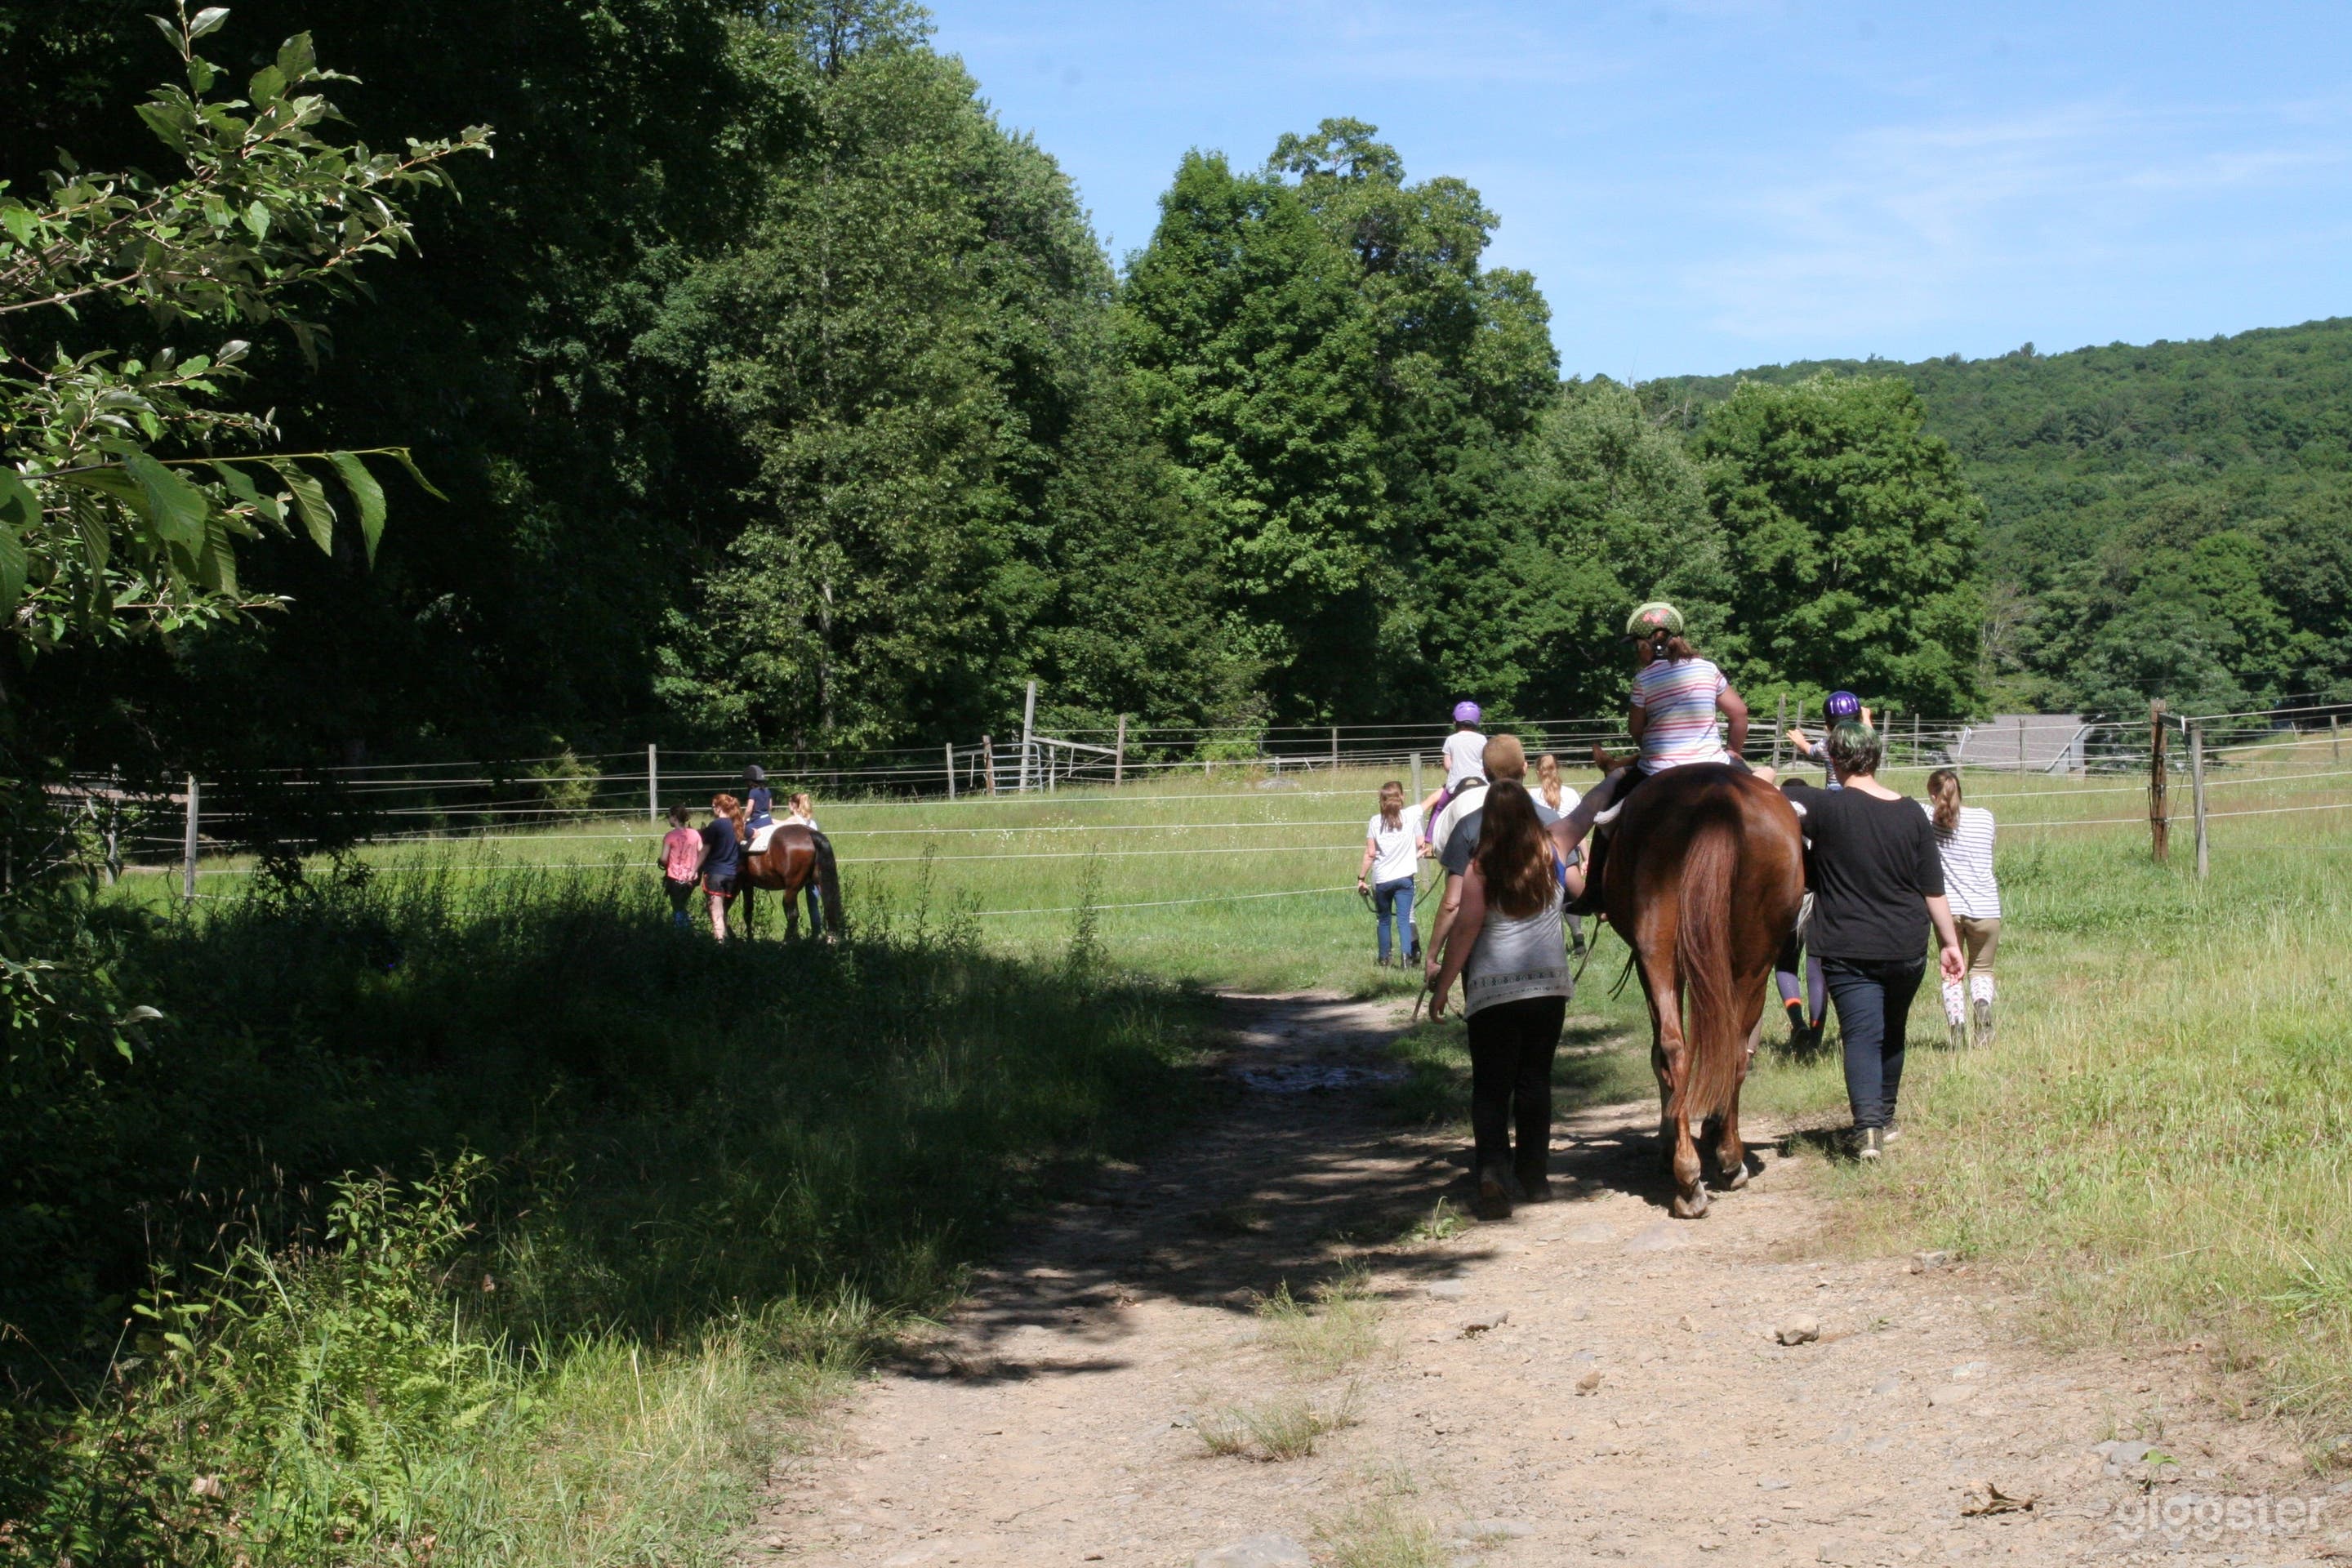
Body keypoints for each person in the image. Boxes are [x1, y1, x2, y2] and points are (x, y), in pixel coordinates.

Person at [1780, 724, 1965, 1160]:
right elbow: (1932, 888)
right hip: (1906, 944)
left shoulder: (1823, 805)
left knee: (1862, 1035)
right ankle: (1885, 1117)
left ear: (1836, 761)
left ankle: (1867, 1131)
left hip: (1848, 946)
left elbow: (1768, 794)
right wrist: (1950, 943)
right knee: (1893, 1032)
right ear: (1877, 759)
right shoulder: (1911, 813)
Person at [1427, 778, 1575, 1219]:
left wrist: (1442, 986)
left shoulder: (1479, 868)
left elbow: (1466, 930)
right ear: (1532, 815)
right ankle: (1536, 1178)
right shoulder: (1553, 855)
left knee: (1491, 1088)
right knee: (1535, 1080)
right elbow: (1587, 815)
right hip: (1548, 989)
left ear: (1488, 818)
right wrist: (1621, 775)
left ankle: (1493, 1175)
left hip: (1493, 992)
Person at [1554, 602, 1763, 912]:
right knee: (1766, 800)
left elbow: (1636, 729)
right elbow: (1740, 714)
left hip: (1658, 771)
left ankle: (1594, 893)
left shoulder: (1644, 679)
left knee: (1606, 819)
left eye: (1637, 646)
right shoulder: (1708, 669)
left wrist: (1652, 742)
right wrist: (1734, 751)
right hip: (1715, 764)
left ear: (1646, 645)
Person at [1425, 735, 1583, 970]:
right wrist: (1601, 906)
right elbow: (1575, 886)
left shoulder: (1468, 827)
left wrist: (1433, 956)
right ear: (1525, 768)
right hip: (1546, 969)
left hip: (1486, 965)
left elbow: (1452, 903)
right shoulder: (1551, 822)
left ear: (1485, 773)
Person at [1924, 768, 2002, 1049]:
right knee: (1982, 970)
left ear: (1933, 795)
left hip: (1949, 910)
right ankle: (1982, 1007)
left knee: (1951, 971)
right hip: (1987, 909)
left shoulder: (1928, 818)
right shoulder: (1985, 817)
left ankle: (1957, 1026)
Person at [1356, 781, 1423, 966]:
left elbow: (1370, 854)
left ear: (1382, 801)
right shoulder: (1411, 818)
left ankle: (1384, 958)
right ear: (1402, 797)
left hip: (1383, 879)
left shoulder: (1375, 821)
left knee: (1383, 920)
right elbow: (1420, 844)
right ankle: (1407, 958)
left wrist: (1361, 878)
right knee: (1404, 920)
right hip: (1405, 878)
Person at [1534, 754, 1587, 958]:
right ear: (1558, 768)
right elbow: (1579, 831)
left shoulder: (1533, 796)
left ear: (1538, 772)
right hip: (1570, 848)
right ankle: (1577, 934)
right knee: (1569, 895)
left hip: (1544, 850)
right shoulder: (1572, 795)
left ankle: (1554, 944)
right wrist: (1586, 857)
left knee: (1549, 897)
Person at [1416, 702, 1489, 846]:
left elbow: (1447, 765)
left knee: (1439, 808)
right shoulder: (1482, 739)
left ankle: (1429, 842)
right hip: (1481, 785)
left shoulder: (1451, 740)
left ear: (1456, 720)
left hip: (1456, 786)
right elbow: (1486, 763)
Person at [700, 793, 746, 941]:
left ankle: (719, 945)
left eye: (714, 807)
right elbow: (756, 833)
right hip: (732, 876)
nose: (713, 809)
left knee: (716, 913)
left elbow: (705, 850)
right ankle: (725, 939)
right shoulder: (737, 825)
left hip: (715, 875)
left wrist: (694, 869)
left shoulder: (716, 825)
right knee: (722, 910)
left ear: (719, 808)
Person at [785, 791, 827, 935]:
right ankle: (818, 933)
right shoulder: (813, 822)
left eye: (789, 803)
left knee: (789, 899)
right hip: (815, 866)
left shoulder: (794, 820)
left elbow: (780, 825)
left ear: (793, 805)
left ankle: (793, 932)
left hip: (800, 867)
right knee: (814, 902)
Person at [659, 804, 702, 929]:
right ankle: (686, 926)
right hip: (691, 876)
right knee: (683, 903)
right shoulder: (694, 834)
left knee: (677, 906)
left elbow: (664, 858)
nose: (669, 819)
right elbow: (701, 851)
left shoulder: (670, 836)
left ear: (674, 818)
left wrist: (661, 863)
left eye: (669, 817)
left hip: (674, 876)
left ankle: (681, 930)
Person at [742, 764, 775, 830]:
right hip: (768, 820)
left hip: (757, 823)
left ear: (750, 781)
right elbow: (770, 807)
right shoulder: (767, 790)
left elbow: (749, 810)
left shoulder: (753, 792)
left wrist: (743, 819)